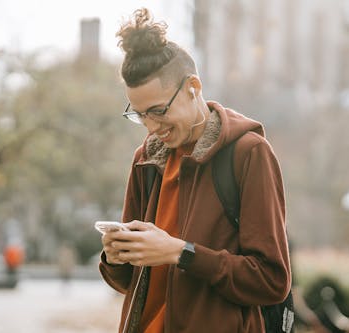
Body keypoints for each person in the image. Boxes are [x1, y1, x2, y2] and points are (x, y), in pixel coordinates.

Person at [99, 8, 291, 333]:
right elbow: (128, 284)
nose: (151, 126)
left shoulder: (249, 153)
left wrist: (182, 253)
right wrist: (115, 257)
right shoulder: (145, 160)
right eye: (140, 114)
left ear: (193, 87)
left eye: (159, 111)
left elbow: (270, 281)